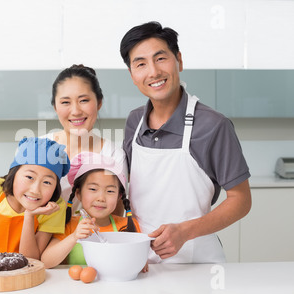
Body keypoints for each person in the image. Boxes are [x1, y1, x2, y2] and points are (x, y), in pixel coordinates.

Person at [120, 21, 252, 263]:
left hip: (197, 263)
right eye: (140, 64)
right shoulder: (134, 121)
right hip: (141, 263)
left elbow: (241, 200)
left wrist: (184, 232)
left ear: (178, 60)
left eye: (161, 58)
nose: (153, 72)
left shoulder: (213, 125)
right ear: (132, 75)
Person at [45, 64, 127, 216]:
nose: (75, 111)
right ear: (55, 107)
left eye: (83, 100)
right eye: (65, 102)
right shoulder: (37, 149)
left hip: (90, 238)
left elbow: (114, 220)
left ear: (99, 103)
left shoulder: (113, 155)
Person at [40, 152, 141, 269]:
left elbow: (137, 260)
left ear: (119, 196)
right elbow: (46, 261)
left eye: (110, 191)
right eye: (93, 189)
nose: (101, 198)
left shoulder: (128, 226)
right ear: (78, 193)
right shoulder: (69, 225)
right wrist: (74, 237)